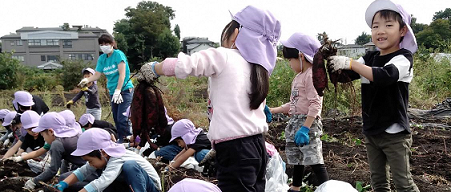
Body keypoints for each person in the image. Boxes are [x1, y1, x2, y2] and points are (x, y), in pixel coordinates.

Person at [149, 5, 280, 191]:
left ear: (235, 33)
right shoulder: (258, 69)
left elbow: (185, 65)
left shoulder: (224, 56)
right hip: (257, 146)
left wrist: (155, 67)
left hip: (235, 148)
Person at [327, 0, 419, 191]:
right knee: (378, 182)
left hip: (395, 134)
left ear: (403, 31)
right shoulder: (369, 57)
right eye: (375, 26)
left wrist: (351, 63)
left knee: (404, 183)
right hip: (372, 131)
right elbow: (346, 76)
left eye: (388, 25)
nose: (380, 31)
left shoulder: (403, 57)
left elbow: (385, 76)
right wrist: (330, 61)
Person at [269, 32, 329, 190]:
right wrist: (273, 110)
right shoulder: (299, 76)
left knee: (314, 158)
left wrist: (305, 127)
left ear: (301, 56)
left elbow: (316, 103)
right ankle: (295, 187)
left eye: (290, 60)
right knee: (297, 159)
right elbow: (294, 104)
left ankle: (329, 187)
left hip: (308, 124)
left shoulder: (311, 76)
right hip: (296, 123)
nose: (289, 63)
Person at [54, 128, 161, 192]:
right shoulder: (104, 156)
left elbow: (103, 181)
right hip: (126, 185)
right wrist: (63, 184)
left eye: (90, 161)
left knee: (129, 166)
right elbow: (83, 171)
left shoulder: (117, 157)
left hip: (150, 187)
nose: (90, 164)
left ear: (103, 152)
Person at [78, 33, 134, 143]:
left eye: (106, 43)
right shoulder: (102, 58)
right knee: (116, 118)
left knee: (123, 118)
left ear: (112, 44)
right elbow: (97, 74)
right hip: (113, 91)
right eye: (101, 44)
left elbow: (122, 75)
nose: (104, 46)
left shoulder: (118, 55)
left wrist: (119, 90)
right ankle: (121, 140)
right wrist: (87, 80)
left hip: (124, 90)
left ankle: (130, 140)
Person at [24, 112, 86, 190]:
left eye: (43, 135)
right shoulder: (72, 134)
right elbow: (66, 161)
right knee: (63, 177)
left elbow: (52, 170)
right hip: (90, 167)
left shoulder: (57, 144)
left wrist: (34, 181)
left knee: (63, 180)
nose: (44, 139)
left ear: (50, 132)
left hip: (91, 171)